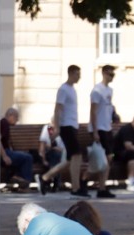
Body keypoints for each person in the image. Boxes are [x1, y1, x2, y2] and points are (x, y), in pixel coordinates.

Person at [54, 65, 88, 197]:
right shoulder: (63, 89)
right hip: (66, 126)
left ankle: (45, 178)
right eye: (77, 74)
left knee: (70, 158)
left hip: (72, 126)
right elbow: (58, 108)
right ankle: (75, 187)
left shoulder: (72, 89)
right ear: (71, 73)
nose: (79, 77)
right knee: (77, 155)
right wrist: (57, 127)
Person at [87, 64, 116, 198]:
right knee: (103, 159)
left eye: (113, 75)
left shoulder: (109, 90)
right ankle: (89, 182)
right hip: (99, 128)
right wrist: (95, 131)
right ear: (104, 73)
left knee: (107, 159)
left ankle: (102, 187)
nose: (112, 77)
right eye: (110, 74)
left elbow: (109, 108)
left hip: (107, 127)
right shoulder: (97, 91)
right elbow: (93, 111)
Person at [0, 107, 34, 186]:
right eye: (16, 117)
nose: (17, 120)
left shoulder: (4, 124)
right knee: (28, 158)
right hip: (2, 154)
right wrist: (4, 156)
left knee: (22, 157)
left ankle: (17, 177)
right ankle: (25, 185)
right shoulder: (4, 123)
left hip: (5, 152)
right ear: (11, 115)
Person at [35, 120, 67, 194]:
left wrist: (56, 148)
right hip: (49, 155)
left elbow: (64, 149)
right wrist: (43, 160)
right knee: (55, 155)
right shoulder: (47, 129)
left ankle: (49, 180)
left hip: (60, 155)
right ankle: (55, 182)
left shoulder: (63, 130)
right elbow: (42, 146)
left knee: (57, 155)